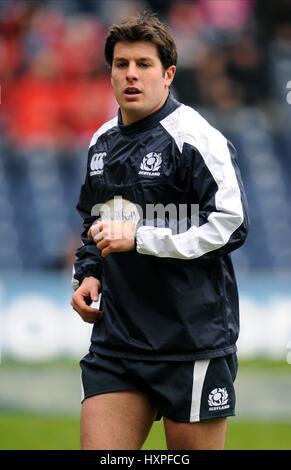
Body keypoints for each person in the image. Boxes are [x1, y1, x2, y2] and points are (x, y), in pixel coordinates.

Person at [71, 11, 249, 450]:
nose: (131, 74)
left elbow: (231, 224)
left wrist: (143, 238)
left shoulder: (195, 138)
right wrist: (89, 273)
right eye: (121, 64)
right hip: (118, 341)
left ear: (168, 74)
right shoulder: (101, 142)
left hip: (189, 342)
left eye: (144, 64)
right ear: (110, 72)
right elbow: (93, 220)